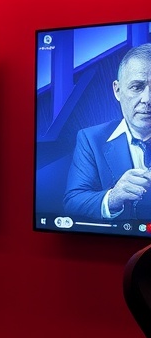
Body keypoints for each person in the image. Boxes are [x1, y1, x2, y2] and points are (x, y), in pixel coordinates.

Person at [64, 43, 151, 220]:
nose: (147, 99)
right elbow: (72, 203)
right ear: (117, 91)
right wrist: (113, 197)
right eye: (137, 87)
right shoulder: (90, 139)